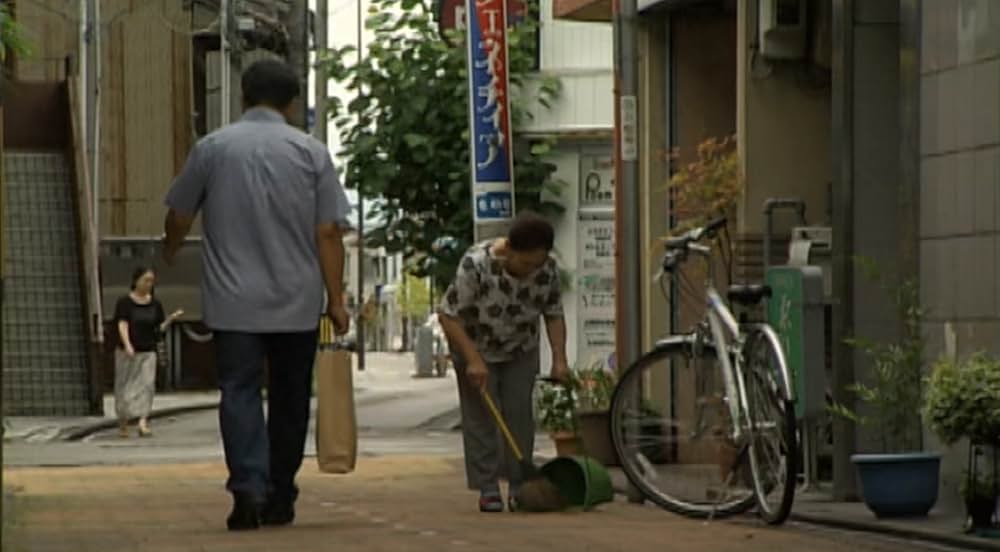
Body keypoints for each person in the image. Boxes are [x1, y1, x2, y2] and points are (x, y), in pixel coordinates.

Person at [161, 59, 351, 531]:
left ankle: (247, 486)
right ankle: (280, 493)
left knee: (239, 391)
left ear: (243, 96)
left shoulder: (212, 148)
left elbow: (179, 214)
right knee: (290, 396)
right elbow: (329, 231)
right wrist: (336, 299)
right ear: (292, 104)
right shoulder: (312, 153)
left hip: (233, 302)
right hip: (297, 302)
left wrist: (169, 251)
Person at [437, 211, 570, 513]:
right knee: (481, 417)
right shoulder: (476, 265)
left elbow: (553, 313)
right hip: (475, 347)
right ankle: (487, 486)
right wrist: (473, 360)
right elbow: (448, 315)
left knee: (519, 415)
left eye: (536, 264)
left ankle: (520, 484)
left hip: (520, 347)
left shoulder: (547, 270)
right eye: (525, 264)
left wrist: (560, 358)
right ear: (508, 249)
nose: (530, 271)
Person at [113, 266, 183, 438]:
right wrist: (127, 344)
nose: (148, 284)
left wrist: (171, 319)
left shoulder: (155, 304)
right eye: (145, 280)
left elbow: (158, 328)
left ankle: (143, 421)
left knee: (147, 385)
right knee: (125, 387)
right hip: (128, 351)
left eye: (151, 281)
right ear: (136, 281)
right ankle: (123, 421)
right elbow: (122, 324)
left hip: (148, 350)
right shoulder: (125, 302)